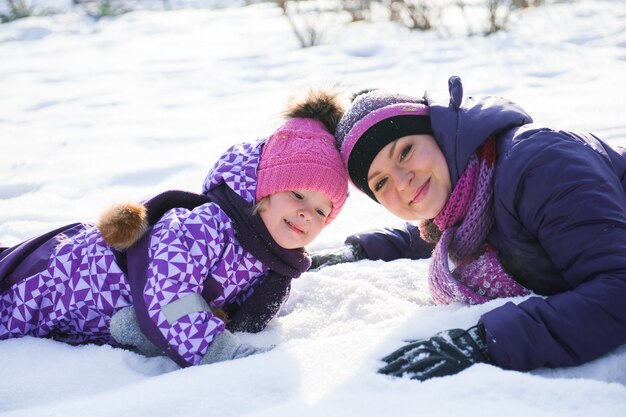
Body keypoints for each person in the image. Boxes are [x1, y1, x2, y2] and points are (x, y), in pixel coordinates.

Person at [0, 89, 349, 368]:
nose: (306, 213)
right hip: (68, 275)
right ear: (264, 192)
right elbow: (169, 294)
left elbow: (224, 308)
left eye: (321, 210)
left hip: (100, 315)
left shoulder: (271, 262)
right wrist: (218, 350)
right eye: (297, 194)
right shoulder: (208, 225)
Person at [313, 76, 626, 380]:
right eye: (381, 182)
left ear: (438, 134)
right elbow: (435, 234)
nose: (403, 181)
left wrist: (486, 341)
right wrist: (361, 249)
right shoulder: (466, 194)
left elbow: (619, 290)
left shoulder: (539, 165)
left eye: (405, 151)